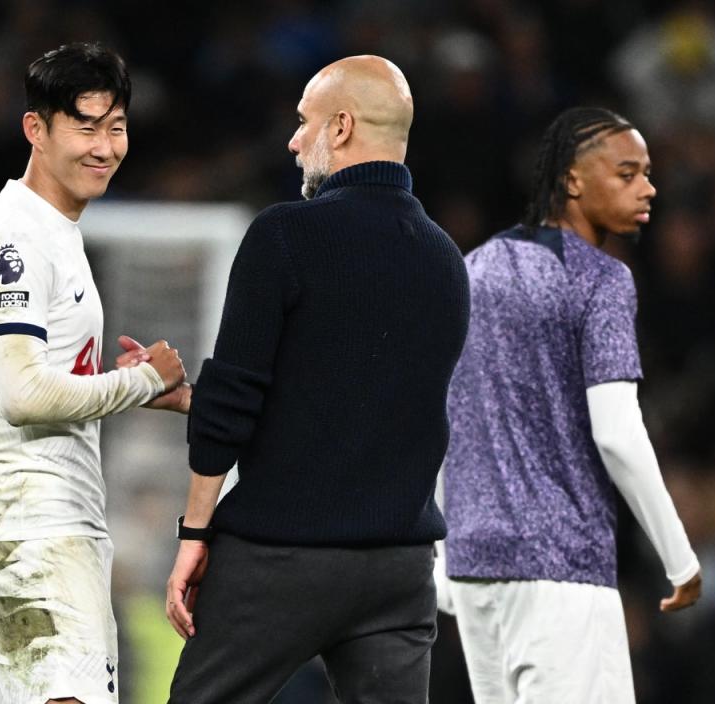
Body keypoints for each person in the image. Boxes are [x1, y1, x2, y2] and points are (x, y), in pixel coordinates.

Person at [164, 55, 470, 704]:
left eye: (304, 123)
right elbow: (354, 397)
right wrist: (191, 398)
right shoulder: (446, 260)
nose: (293, 140)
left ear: (341, 126)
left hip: (281, 554)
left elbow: (236, 400)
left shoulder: (284, 236)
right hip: (398, 568)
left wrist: (194, 534)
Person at [437, 106, 703, 704]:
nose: (648, 188)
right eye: (628, 173)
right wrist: (679, 557)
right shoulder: (600, 280)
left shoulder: (472, 269)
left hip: (474, 569)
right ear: (573, 181)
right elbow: (617, 433)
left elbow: (443, 416)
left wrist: (440, 556)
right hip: (562, 572)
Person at [0, 42, 187, 704]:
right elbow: (23, 394)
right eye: (85, 126)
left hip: (40, 524)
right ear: (36, 128)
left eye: (116, 127)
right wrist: (143, 382)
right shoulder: (18, 240)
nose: (105, 147)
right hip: (33, 526)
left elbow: (50, 380)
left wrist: (139, 391)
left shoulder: (55, 231)